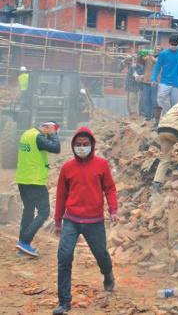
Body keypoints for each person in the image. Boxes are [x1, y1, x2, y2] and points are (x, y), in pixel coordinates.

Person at [52, 127, 118, 315]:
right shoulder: (67, 168)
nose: (82, 148)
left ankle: (107, 273)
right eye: (78, 145)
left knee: (101, 255)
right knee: (64, 258)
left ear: (92, 145)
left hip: (94, 221)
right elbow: (61, 195)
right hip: (71, 220)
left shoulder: (101, 165)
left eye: (86, 145)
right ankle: (64, 302)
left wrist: (113, 210)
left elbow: (110, 189)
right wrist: (58, 221)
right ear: (73, 147)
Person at [14, 121, 61, 257]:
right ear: (47, 127)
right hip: (34, 181)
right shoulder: (38, 137)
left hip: (22, 179)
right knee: (44, 211)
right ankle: (25, 241)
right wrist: (52, 133)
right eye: (52, 132)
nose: (51, 136)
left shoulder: (27, 134)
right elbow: (56, 147)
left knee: (28, 210)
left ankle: (21, 246)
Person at [151, 34, 178, 122]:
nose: (173, 46)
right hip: (164, 82)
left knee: (177, 106)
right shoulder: (163, 54)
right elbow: (157, 67)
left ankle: (174, 122)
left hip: (177, 84)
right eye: (172, 44)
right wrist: (153, 79)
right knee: (159, 102)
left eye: (175, 44)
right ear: (169, 43)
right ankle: (156, 121)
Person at [138, 49, 157, 120]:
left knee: (154, 100)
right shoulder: (147, 58)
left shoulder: (160, 59)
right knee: (146, 100)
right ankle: (147, 116)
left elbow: (155, 61)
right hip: (146, 81)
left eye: (158, 50)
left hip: (155, 82)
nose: (156, 50)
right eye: (156, 49)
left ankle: (153, 116)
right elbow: (140, 61)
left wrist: (150, 56)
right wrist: (141, 55)